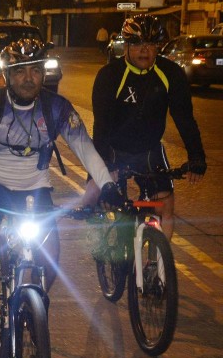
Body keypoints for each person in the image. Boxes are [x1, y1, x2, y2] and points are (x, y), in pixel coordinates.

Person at [0, 39, 122, 323]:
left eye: (36, 71)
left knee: (50, 246)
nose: (29, 79)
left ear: (43, 73)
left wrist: (108, 186)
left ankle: (39, 300)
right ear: (7, 75)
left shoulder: (57, 108)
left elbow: (85, 148)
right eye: (21, 72)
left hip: (35, 186)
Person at [85, 14, 206, 240]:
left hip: (149, 149)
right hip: (112, 148)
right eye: (138, 44)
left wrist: (197, 157)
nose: (145, 50)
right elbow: (101, 125)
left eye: (151, 44)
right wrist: (104, 166)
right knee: (92, 195)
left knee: (165, 204)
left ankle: (159, 266)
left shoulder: (170, 74)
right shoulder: (110, 75)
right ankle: (98, 243)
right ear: (127, 46)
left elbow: (185, 118)